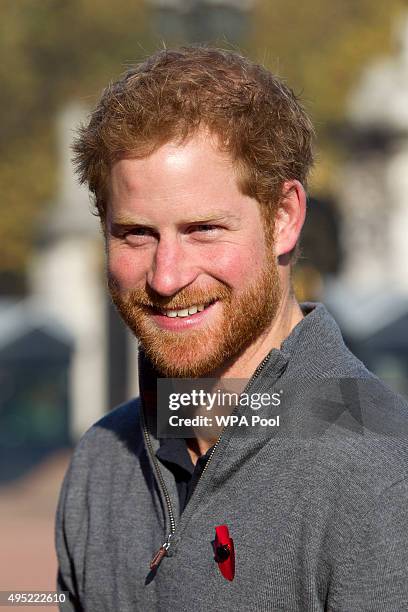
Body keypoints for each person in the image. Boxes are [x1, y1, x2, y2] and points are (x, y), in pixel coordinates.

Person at [55, 46, 408, 611]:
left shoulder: (381, 471)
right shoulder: (101, 465)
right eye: (136, 234)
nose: (166, 277)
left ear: (285, 218)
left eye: (203, 229)